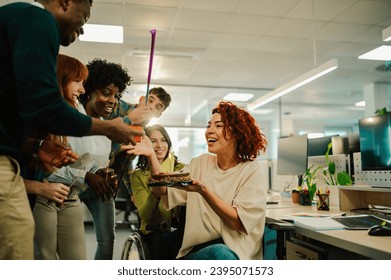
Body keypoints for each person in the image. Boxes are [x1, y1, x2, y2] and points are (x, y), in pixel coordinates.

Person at [0, 0, 142, 260]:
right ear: (65, 2)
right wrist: (109, 128)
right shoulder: (38, 20)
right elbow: (45, 107)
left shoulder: (17, 21)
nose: (83, 29)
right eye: (84, 18)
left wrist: (34, 152)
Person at [122, 101, 268, 260]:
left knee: (222, 254)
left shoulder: (252, 170)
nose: (209, 131)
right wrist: (151, 155)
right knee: (219, 254)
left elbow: (237, 223)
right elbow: (162, 189)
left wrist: (203, 191)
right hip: (198, 253)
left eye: (218, 126)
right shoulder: (200, 163)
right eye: (208, 126)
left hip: (239, 255)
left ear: (237, 133)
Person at [32, 53, 90, 260]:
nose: (82, 89)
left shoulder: (74, 113)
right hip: (42, 196)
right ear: (59, 78)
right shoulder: (35, 113)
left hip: (71, 197)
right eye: (77, 81)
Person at [130, 124, 185, 259]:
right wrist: (155, 192)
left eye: (163, 140)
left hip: (183, 229)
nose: (160, 145)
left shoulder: (181, 169)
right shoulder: (138, 176)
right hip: (156, 232)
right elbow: (145, 215)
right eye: (153, 141)